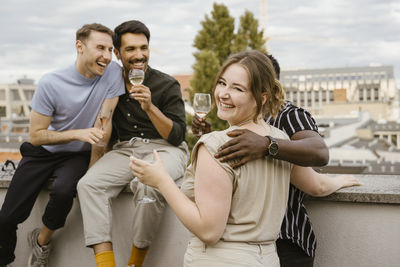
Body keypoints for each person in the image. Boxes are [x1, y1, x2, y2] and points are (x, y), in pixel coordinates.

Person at [131, 50, 331, 266]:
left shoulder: (215, 145)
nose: (223, 94)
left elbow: (209, 231)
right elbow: (314, 183)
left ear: (261, 97)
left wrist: (162, 181)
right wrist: (343, 181)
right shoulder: (280, 139)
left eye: (237, 88)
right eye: (222, 83)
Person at [192, 54, 361, 267]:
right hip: (251, 247)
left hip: (287, 241)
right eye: (225, 83)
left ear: (265, 90)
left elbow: (319, 152)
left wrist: (266, 145)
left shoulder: (288, 116)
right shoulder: (243, 118)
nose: (227, 92)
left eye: (239, 86)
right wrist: (208, 138)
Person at [0, 23, 125, 267]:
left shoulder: (112, 73)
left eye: (110, 49)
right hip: (42, 152)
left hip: (77, 155)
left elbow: (104, 125)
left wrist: (93, 171)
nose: (107, 56)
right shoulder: (51, 83)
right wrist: (77, 133)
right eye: (100, 48)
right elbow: (36, 135)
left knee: (64, 191)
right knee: (6, 218)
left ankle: (41, 242)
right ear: (79, 46)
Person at [77, 20, 189, 267]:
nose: (139, 55)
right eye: (131, 49)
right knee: (88, 185)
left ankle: (134, 263)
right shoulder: (110, 83)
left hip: (165, 148)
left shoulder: (166, 84)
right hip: (125, 150)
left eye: (144, 48)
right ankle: (105, 264)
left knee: (148, 183)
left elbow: (178, 136)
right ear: (117, 53)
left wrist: (150, 107)